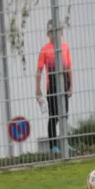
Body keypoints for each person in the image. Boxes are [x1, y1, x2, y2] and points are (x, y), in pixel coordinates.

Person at [35, 19, 76, 155]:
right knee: (54, 116)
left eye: (57, 31)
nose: (55, 34)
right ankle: (53, 146)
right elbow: (39, 71)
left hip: (64, 85)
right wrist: (37, 89)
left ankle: (65, 143)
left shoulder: (65, 47)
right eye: (52, 32)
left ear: (61, 32)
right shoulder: (45, 50)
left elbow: (68, 67)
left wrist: (71, 85)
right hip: (51, 87)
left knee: (64, 115)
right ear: (48, 34)